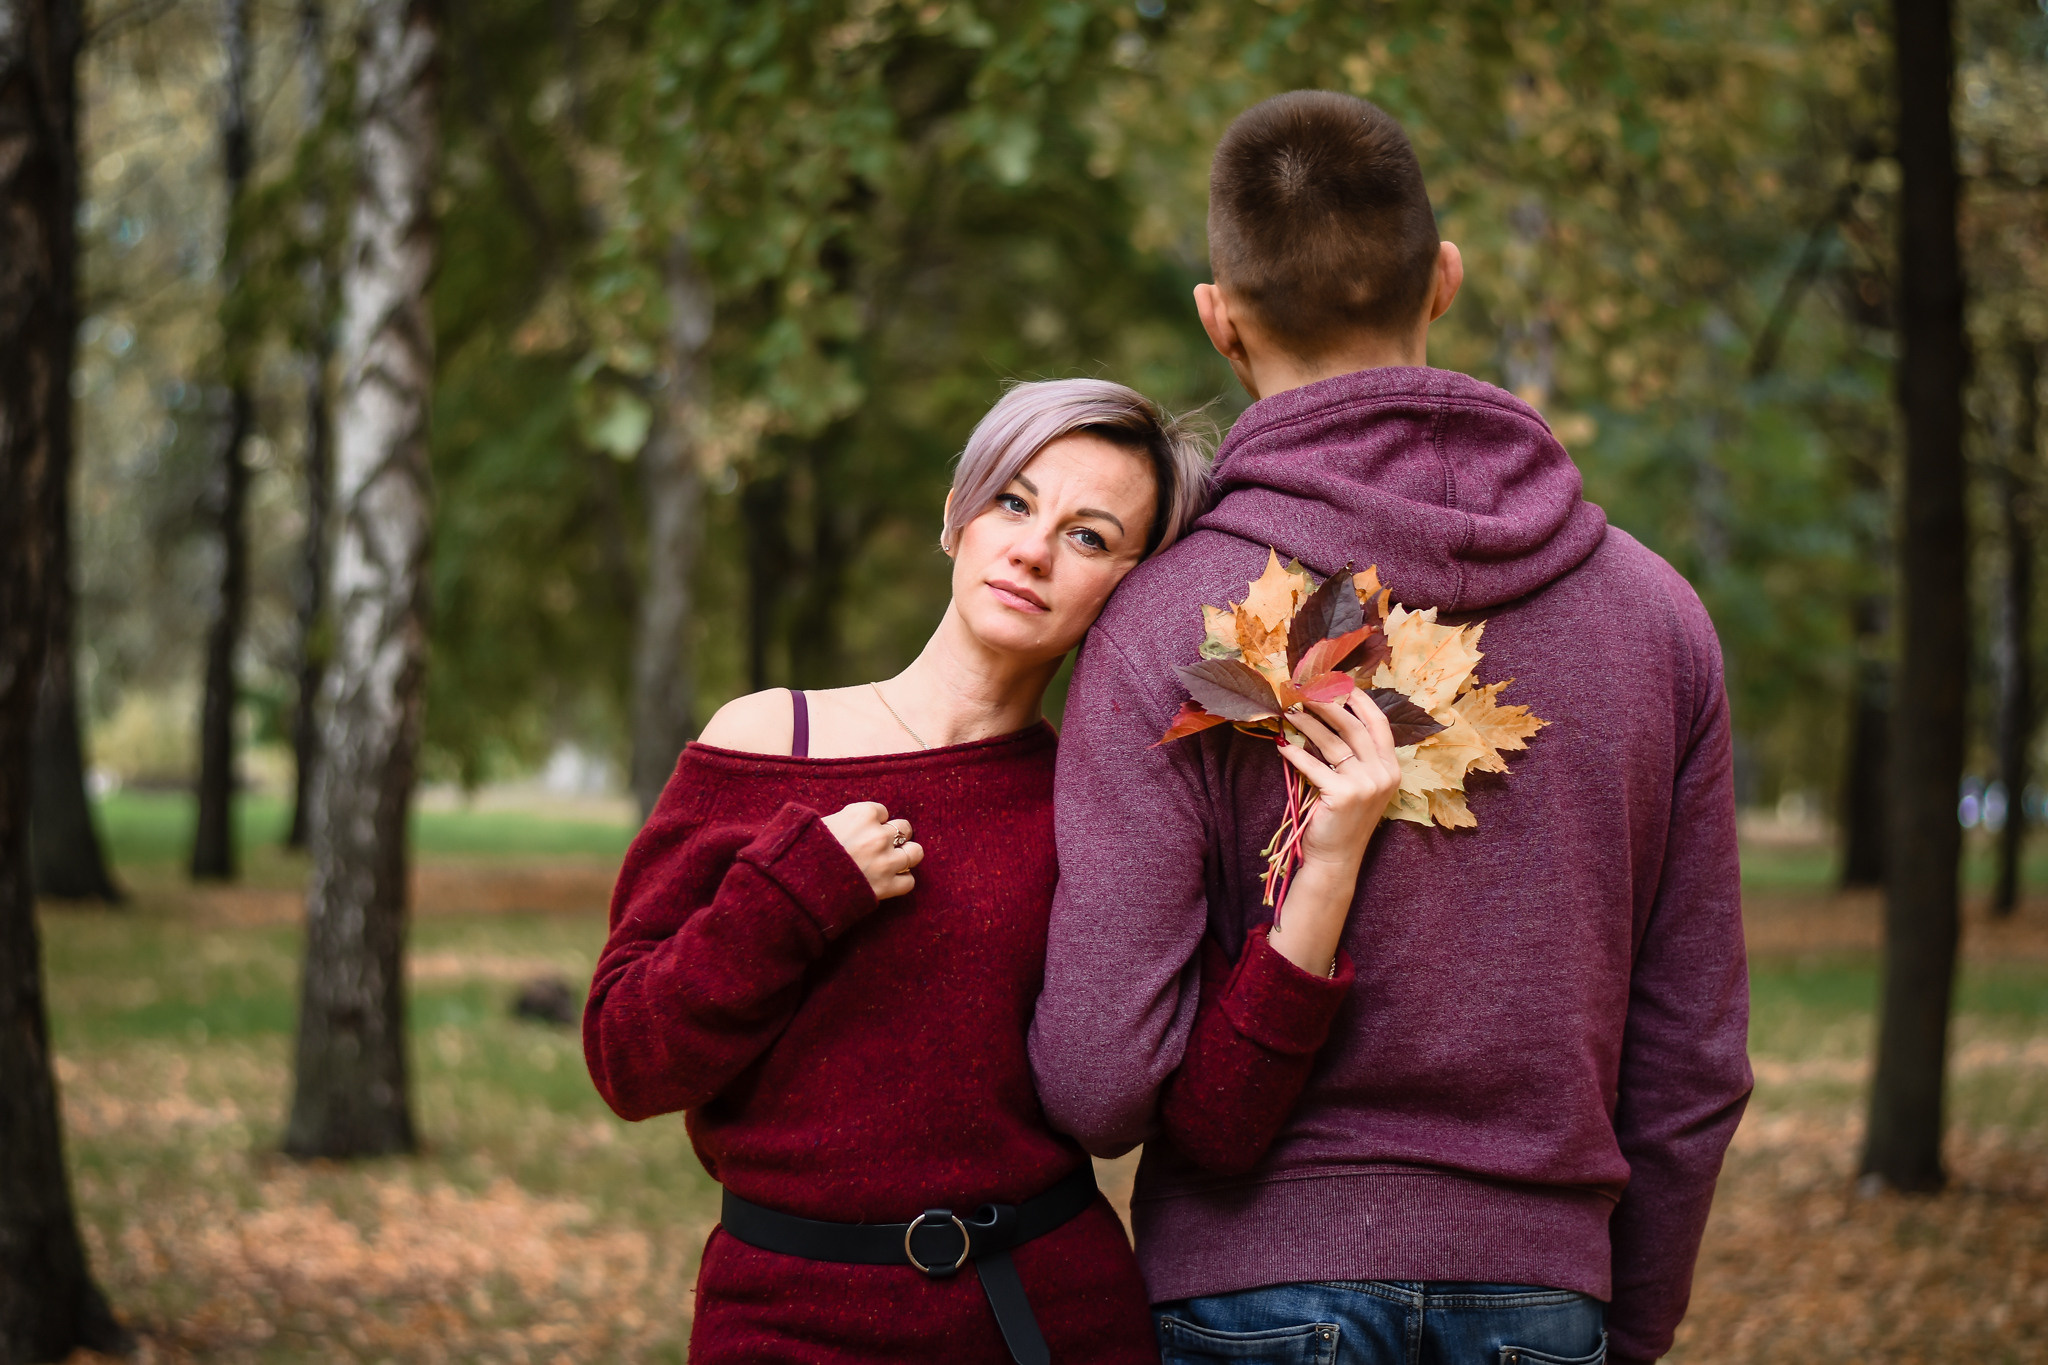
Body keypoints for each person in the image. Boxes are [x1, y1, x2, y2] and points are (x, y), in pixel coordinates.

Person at [1029, 91, 1754, 1365]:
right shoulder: (1656, 621)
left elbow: (1096, 1081)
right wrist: (1620, 1323)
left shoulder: (1156, 627)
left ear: (1218, 317)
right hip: (1545, 1296)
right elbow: (1691, 1061)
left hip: (1244, 1293)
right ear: (1446, 281)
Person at [583, 377, 1400, 1364]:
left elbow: (1211, 1123)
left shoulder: (1097, 801)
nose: (1031, 548)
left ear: (1131, 588)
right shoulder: (767, 737)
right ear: (955, 516)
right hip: (781, 1320)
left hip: (1044, 1320)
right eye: (1013, 502)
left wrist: (1326, 864)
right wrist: (793, 894)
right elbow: (628, 1060)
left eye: (1088, 536)